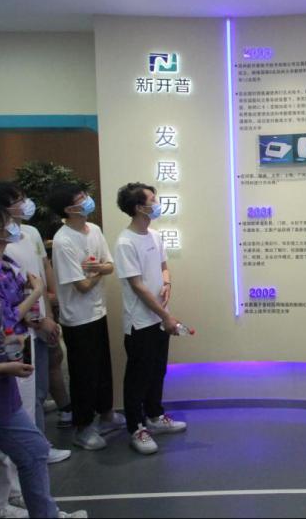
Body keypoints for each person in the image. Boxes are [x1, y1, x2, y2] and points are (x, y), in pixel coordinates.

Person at [0, 203, 87, 519]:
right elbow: (4, 320)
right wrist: (35, 294)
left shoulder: (4, 266)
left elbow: (10, 322)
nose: (14, 225)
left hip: (4, 380)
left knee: (33, 450)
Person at [0, 182, 71, 464]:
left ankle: (36, 449)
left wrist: (46, 310)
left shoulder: (16, 249)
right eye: (17, 200)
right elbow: (9, 313)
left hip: (25, 334)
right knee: (18, 405)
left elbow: (39, 272)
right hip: (7, 345)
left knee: (31, 395)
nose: (24, 204)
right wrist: (37, 299)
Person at [47, 184, 125, 450]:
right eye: (80, 199)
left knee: (102, 367)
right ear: (69, 209)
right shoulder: (63, 240)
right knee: (84, 373)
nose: (87, 201)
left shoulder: (94, 230)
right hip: (77, 317)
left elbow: (110, 265)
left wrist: (98, 270)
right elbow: (80, 285)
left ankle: (107, 415)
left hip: (98, 310)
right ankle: (83, 427)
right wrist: (99, 271)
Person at [113, 183, 188, 455]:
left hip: (159, 319)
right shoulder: (125, 242)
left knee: (158, 370)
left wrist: (167, 284)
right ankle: (136, 428)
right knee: (138, 377)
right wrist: (166, 315)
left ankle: (155, 416)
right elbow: (137, 286)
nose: (157, 204)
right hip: (141, 321)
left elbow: (164, 267)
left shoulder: (154, 236)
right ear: (138, 208)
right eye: (152, 200)